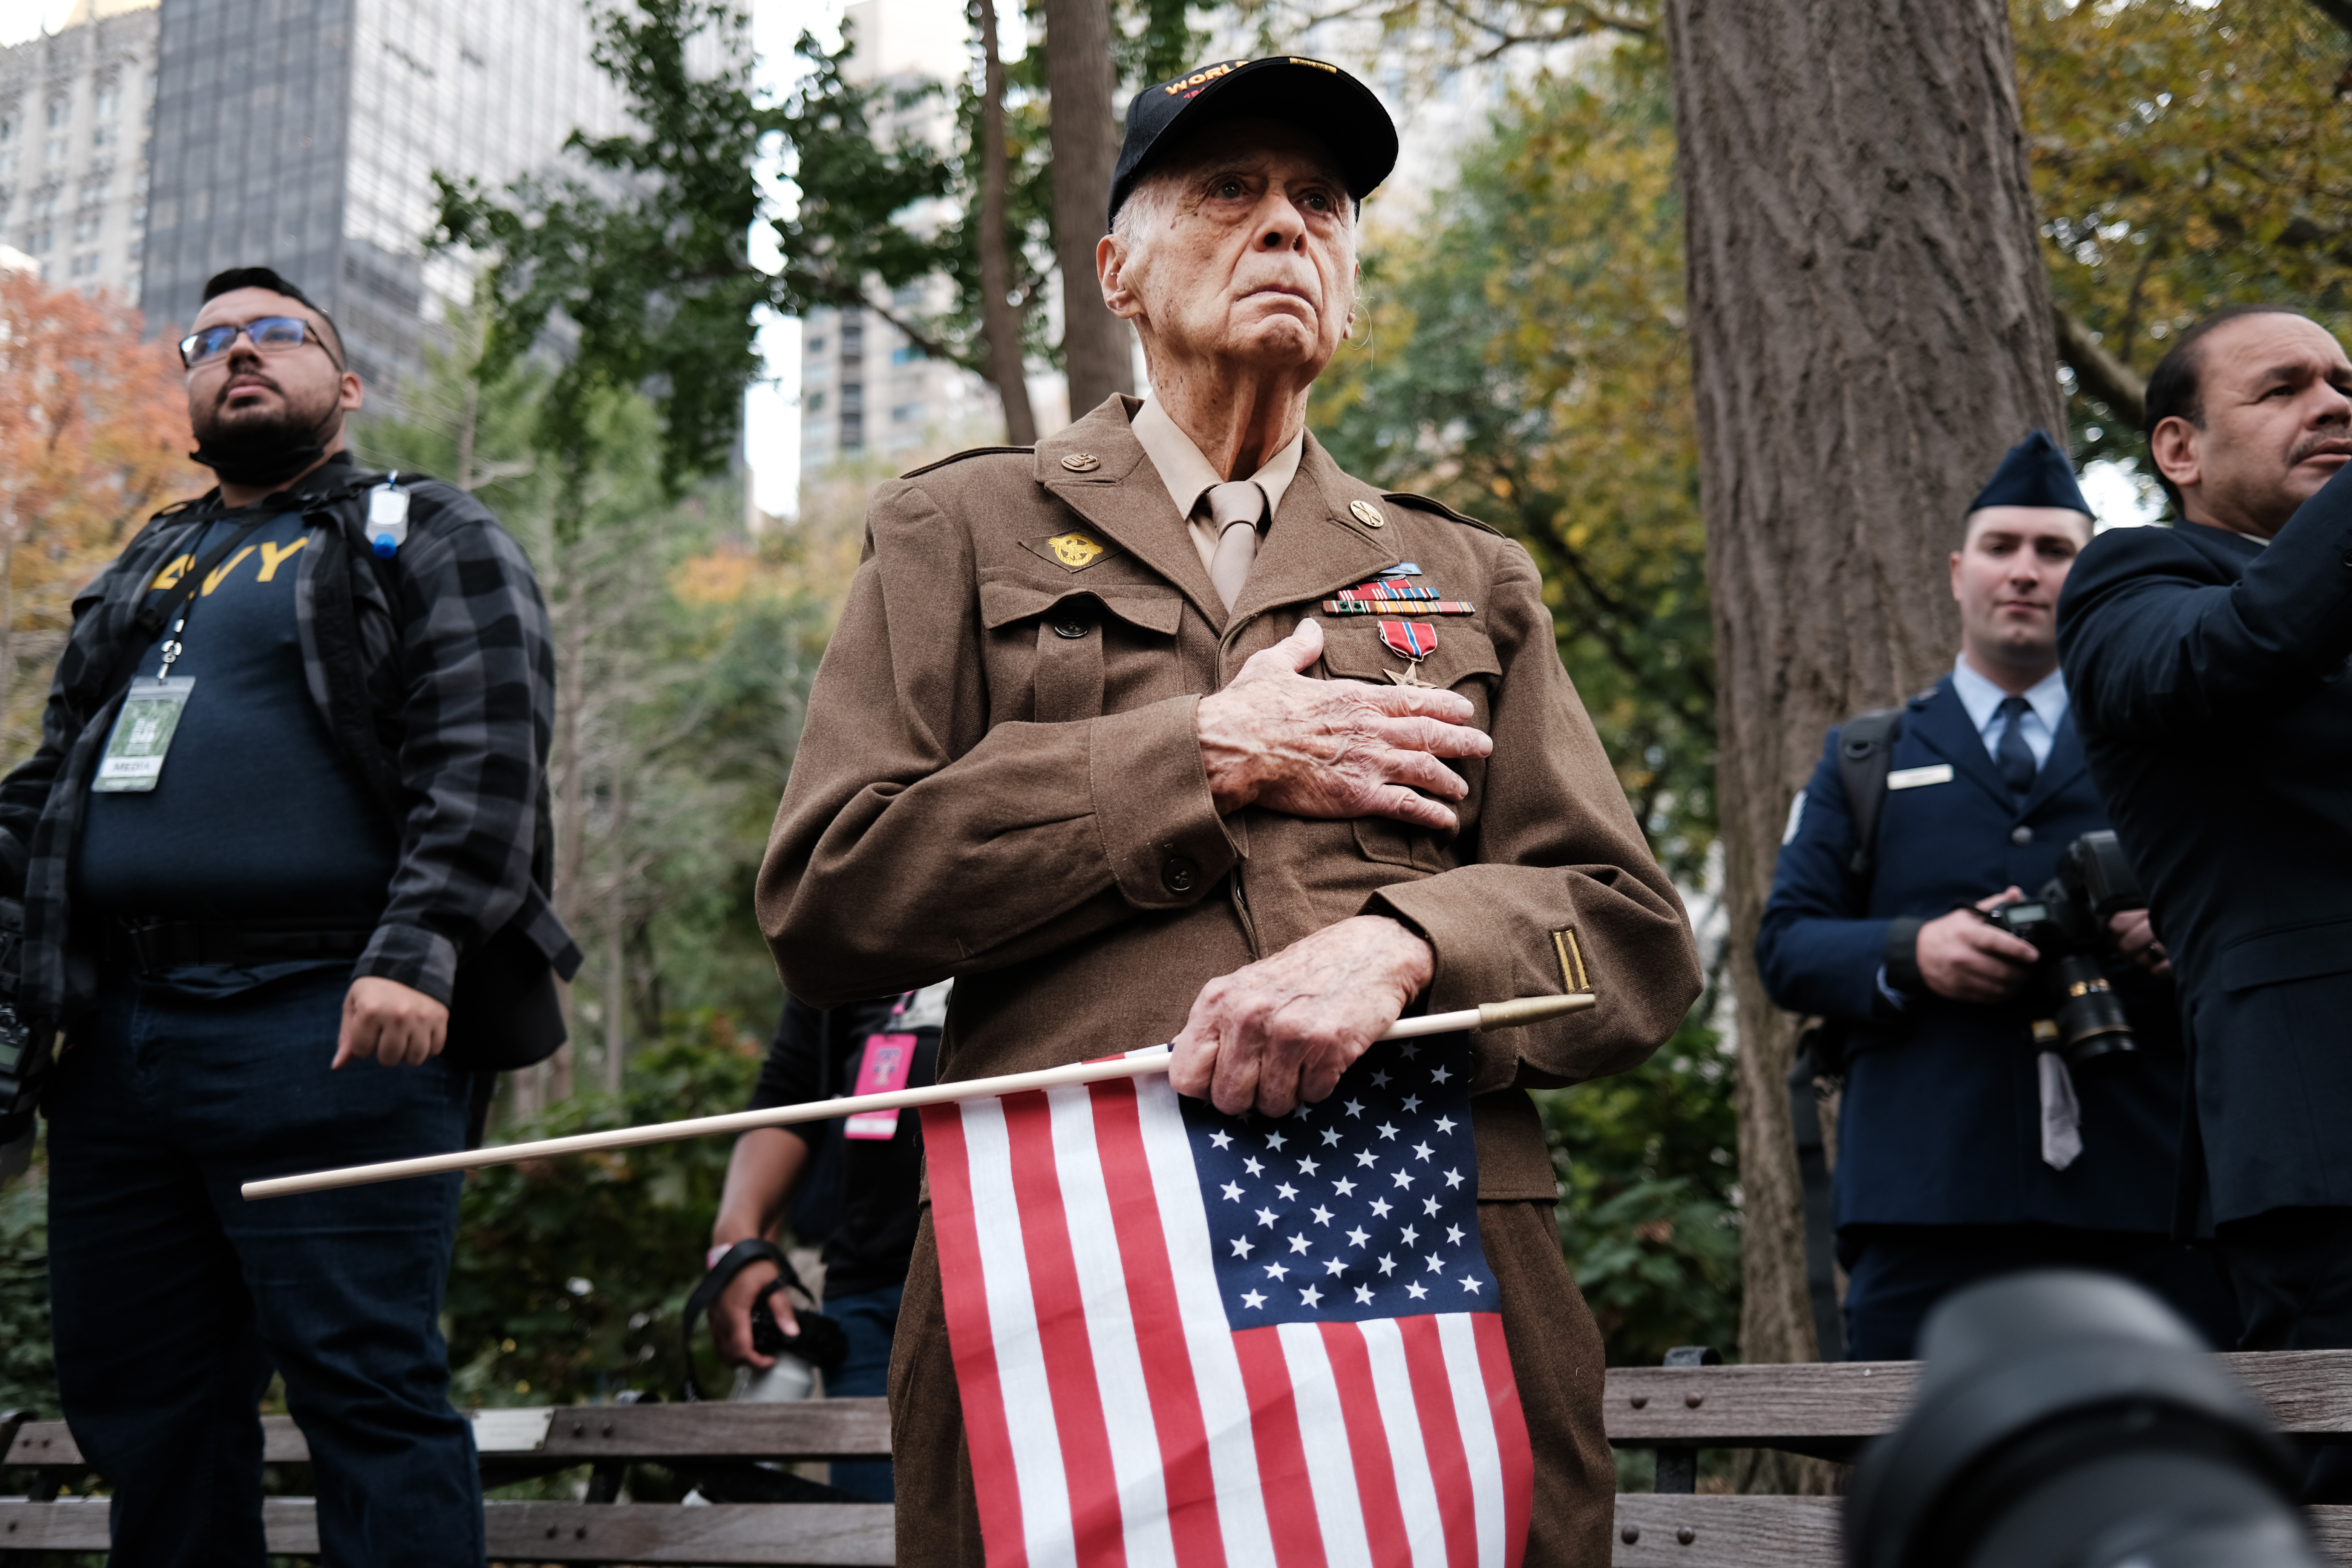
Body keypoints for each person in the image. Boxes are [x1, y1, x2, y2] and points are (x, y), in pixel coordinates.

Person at [758, 55, 1702, 1566]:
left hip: (1429, 1245)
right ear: (1117, 269)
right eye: (1229, 192)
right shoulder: (961, 525)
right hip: (1069, 1243)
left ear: (1353, 288)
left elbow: (1634, 937)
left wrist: (1406, 946)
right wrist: (1202, 751)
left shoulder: (1469, 578)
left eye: (1322, 203)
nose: (1287, 228)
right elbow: (831, 894)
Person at [0, 266, 578, 1566]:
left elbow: (486, 753)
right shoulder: (151, 559)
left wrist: (418, 951)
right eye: (212, 341)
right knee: (145, 1409)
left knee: (364, 1395)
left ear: (345, 384)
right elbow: (49, 787)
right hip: (119, 1040)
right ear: (192, 392)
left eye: (278, 334)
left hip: (333, 1020)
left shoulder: (417, 528)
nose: (240, 352)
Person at [1756, 431, 2235, 1361]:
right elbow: (1787, 946)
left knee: (2163, 1485)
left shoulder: (2162, 750)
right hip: (1926, 1202)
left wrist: (2177, 936)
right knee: (1930, 1493)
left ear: (2089, 574)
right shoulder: (1865, 756)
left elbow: (2249, 931)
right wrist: (1915, 951)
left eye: (2055, 551)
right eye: (2002, 548)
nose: (2025, 572)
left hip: (2148, 1196)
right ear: (1957, 572)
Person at [2058, 307, 2352, 1375]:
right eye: (2283, 390)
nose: (2333, 407)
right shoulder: (2132, 582)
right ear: (2178, 449)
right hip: (2328, 1146)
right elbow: (2248, 647)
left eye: (2343, 386)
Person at [702, 982, 948, 1501]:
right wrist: (734, 1243)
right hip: (866, 1301)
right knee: (873, 1541)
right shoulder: (855, 927)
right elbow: (788, 1091)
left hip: (1032, 1279)